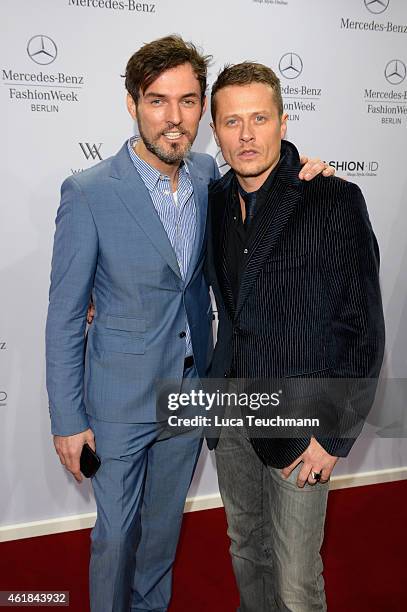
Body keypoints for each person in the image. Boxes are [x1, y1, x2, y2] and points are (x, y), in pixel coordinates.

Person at [45, 35, 334, 612]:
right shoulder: (89, 192)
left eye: (188, 101)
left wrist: (307, 168)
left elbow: (268, 177)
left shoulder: (209, 175)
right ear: (132, 104)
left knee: (160, 538)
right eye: (158, 101)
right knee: (116, 540)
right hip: (119, 400)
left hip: (192, 396)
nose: (174, 118)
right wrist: (68, 419)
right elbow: (64, 317)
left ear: (202, 108)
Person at [205, 62, 385, 612]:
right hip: (231, 411)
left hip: (301, 421)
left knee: (297, 585)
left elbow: (361, 331)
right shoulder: (213, 201)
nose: (246, 134)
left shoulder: (331, 197)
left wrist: (332, 437)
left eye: (259, 118)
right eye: (232, 122)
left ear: (284, 121)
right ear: (215, 131)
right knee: (247, 552)